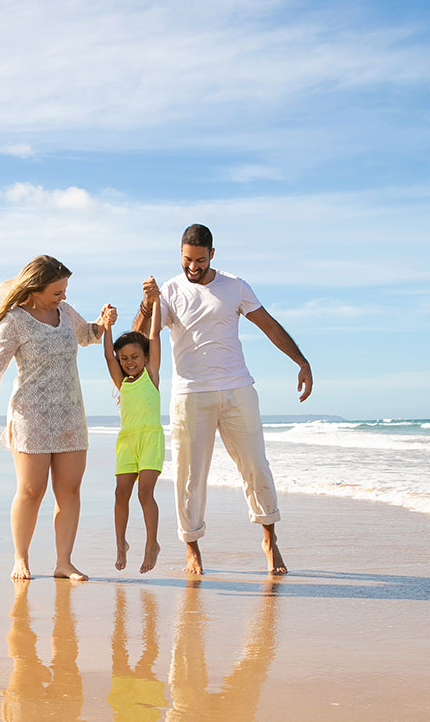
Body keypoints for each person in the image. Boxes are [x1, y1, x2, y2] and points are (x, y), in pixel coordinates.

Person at [133, 224, 312, 576]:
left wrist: (302, 361)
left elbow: (270, 325)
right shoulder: (168, 291)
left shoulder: (235, 286)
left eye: (200, 260)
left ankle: (269, 539)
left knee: (256, 467)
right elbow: (140, 337)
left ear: (212, 254)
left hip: (237, 390)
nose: (194, 268)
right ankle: (193, 549)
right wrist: (147, 303)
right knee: (189, 477)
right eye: (187, 260)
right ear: (180, 255)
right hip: (189, 394)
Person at [0, 254, 114, 582]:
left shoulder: (64, 313)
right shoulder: (15, 321)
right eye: (56, 292)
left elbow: (87, 335)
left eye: (65, 290)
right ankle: (20, 559)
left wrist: (103, 323)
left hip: (70, 415)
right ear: (35, 290)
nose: (63, 297)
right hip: (31, 416)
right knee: (31, 490)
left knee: (70, 489)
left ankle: (64, 563)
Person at [102, 296, 165, 574]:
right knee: (120, 493)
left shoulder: (151, 374)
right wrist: (106, 326)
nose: (129, 362)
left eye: (135, 357)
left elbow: (154, 334)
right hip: (127, 441)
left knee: (145, 493)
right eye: (124, 358)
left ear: (146, 357)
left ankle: (152, 544)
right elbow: (107, 355)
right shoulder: (121, 382)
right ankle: (120, 544)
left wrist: (157, 302)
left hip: (150, 439)